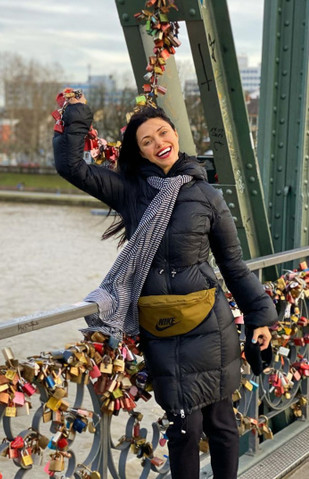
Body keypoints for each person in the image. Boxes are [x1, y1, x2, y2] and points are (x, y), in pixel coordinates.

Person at [53, 95, 278, 479]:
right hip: (164, 331)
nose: (159, 143)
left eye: (163, 133)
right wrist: (76, 116)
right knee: (184, 429)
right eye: (147, 141)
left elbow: (233, 265)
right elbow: (72, 167)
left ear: (175, 133)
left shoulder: (206, 195)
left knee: (222, 425)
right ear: (140, 152)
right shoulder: (131, 191)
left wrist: (260, 316)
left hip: (211, 326)